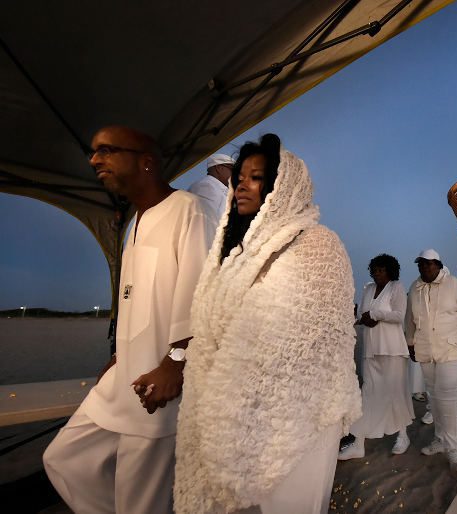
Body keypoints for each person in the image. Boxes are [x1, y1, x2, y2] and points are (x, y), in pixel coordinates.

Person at [174, 134, 361, 514]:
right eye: (238, 177)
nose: (241, 184)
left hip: (302, 417)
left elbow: (305, 335)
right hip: (233, 421)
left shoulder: (317, 244)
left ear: (281, 186)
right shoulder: (235, 256)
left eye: (256, 177)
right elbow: (212, 330)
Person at [43, 126, 214, 512]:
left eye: (107, 150)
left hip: (157, 383)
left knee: (140, 501)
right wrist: (121, 353)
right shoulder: (134, 223)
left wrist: (176, 363)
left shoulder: (188, 210)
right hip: (124, 376)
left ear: (147, 162)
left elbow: (200, 294)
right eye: (93, 151)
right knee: (64, 460)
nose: (94, 160)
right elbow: (139, 299)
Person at [405, 249, 457, 473]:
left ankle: (453, 449)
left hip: (452, 348)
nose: (425, 268)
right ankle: (440, 440)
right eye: (421, 264)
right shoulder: (415, 288)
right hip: (426, 350)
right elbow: (409, 319)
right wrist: (410, 342)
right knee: (434, 395)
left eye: (429, 264)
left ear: (439, 265)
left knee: (448, 395)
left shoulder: (453, 284)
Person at [339, 254, 414, 460]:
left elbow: (399, 316)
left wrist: (376, 315)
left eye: (381, 270)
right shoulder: (369, 288)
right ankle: (358, 443)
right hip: (371, 348)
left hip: (392, 349)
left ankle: (402, 435)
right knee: (369, 393)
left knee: (395, 392)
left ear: (390, 271)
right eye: (375, 270)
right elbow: (363, 313)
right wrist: (362, 318)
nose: (377, 273)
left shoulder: (397, 287)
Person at [188, 153, 234, 224]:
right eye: (233, 170)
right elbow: (207, 221)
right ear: (219, 168)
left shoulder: (218, 188)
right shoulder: (206, 186)